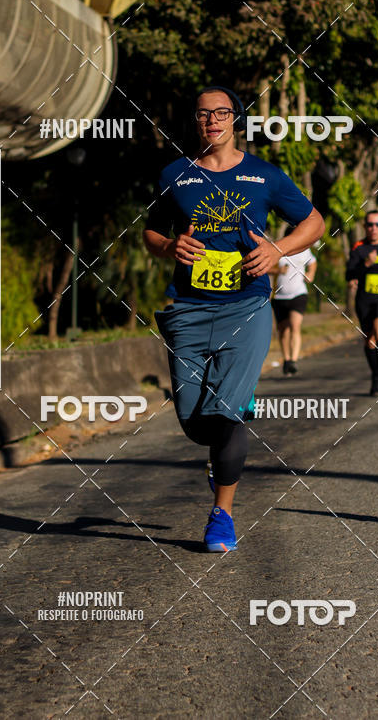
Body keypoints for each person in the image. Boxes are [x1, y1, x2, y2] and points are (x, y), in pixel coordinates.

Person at [143, 85, 324, 552]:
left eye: (222, 113)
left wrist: (276, 248)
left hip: (247, 307)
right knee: (194, 422)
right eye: (204, 114)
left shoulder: (264, 176)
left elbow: (314, 223)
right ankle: (227, 428)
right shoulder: (173, 175)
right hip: (187, 308)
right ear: (195, 121)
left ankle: (221, 515)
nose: (213, 121)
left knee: (225, 418)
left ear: (235, 120)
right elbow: (151, 232)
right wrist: (168, 246)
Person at [346, 210, 378, 395]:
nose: (374, 228)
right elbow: (350, 274)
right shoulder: (359, 248)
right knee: (369, 340)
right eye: (370, 225)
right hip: (364, 300)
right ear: (365, 227)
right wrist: (367, 265)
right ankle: (376, 375)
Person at [271, 238, 317, 375]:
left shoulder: (304, 249)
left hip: (299, 294)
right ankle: (286, 359)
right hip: (279, 296)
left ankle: (293, 361)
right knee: (283, 330)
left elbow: (313, 262)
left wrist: (311, 274)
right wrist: (278, 270)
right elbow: (267, 267)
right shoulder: (277, 249)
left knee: (295, 325)